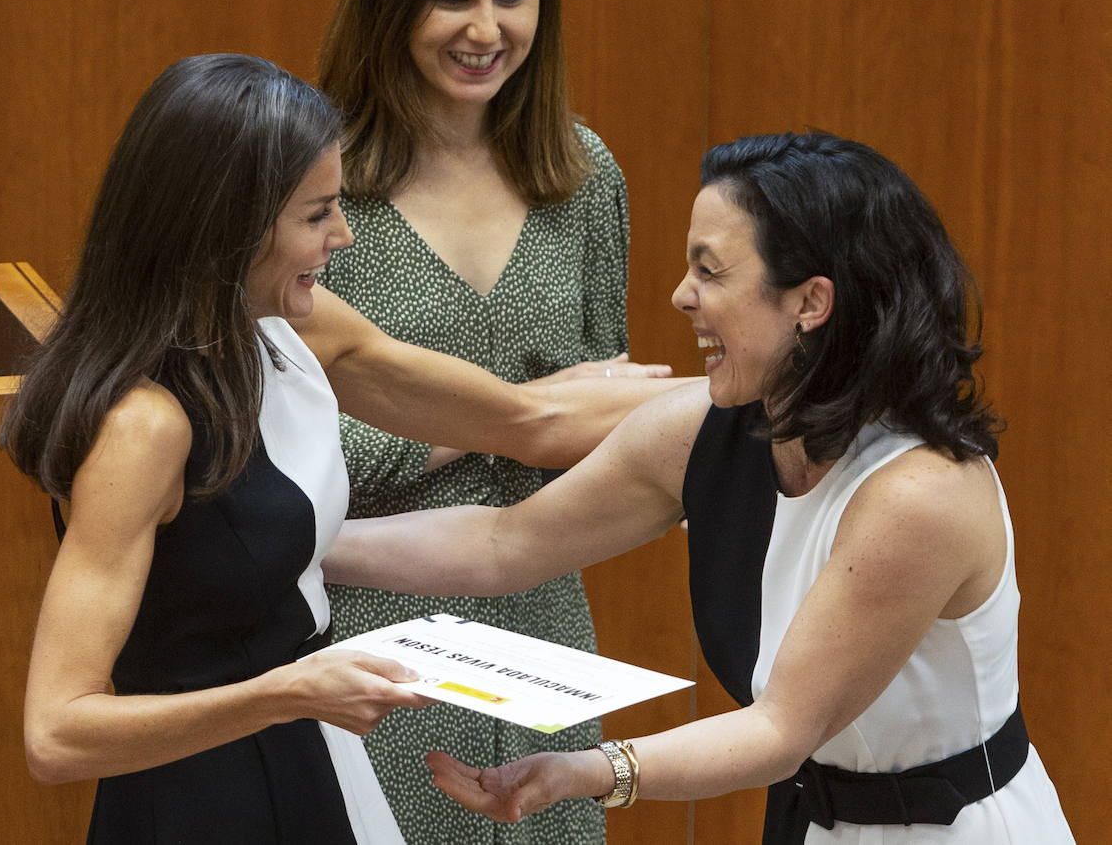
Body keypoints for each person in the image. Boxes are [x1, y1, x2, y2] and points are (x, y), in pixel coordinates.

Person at [2, 53, 676, 844]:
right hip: (200, 796)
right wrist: (287, 694)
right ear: (231, 227)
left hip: (307, 752)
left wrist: (753, 405)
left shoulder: (293, 325)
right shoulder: (144, 429)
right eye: (318, 214)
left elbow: (525, 420)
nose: (343, 236)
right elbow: (56, 734)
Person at [327, 132, 1075, 843]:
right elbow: (505, 542)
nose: (681, 296)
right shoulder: (702, 428)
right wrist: (304, 544)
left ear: (810, 303)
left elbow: (780, 730)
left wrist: (591, 769)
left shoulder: (919, 494)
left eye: (710, 271)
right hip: (816, 819)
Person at [317, 0, 665, 840]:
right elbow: (281, 455)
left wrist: (586, 429)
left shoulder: (584, 177)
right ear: (390, 0)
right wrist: (510, 422)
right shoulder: (314, 180)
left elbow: (605, 426)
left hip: (542, 619)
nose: (486, 29)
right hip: (364, 622)